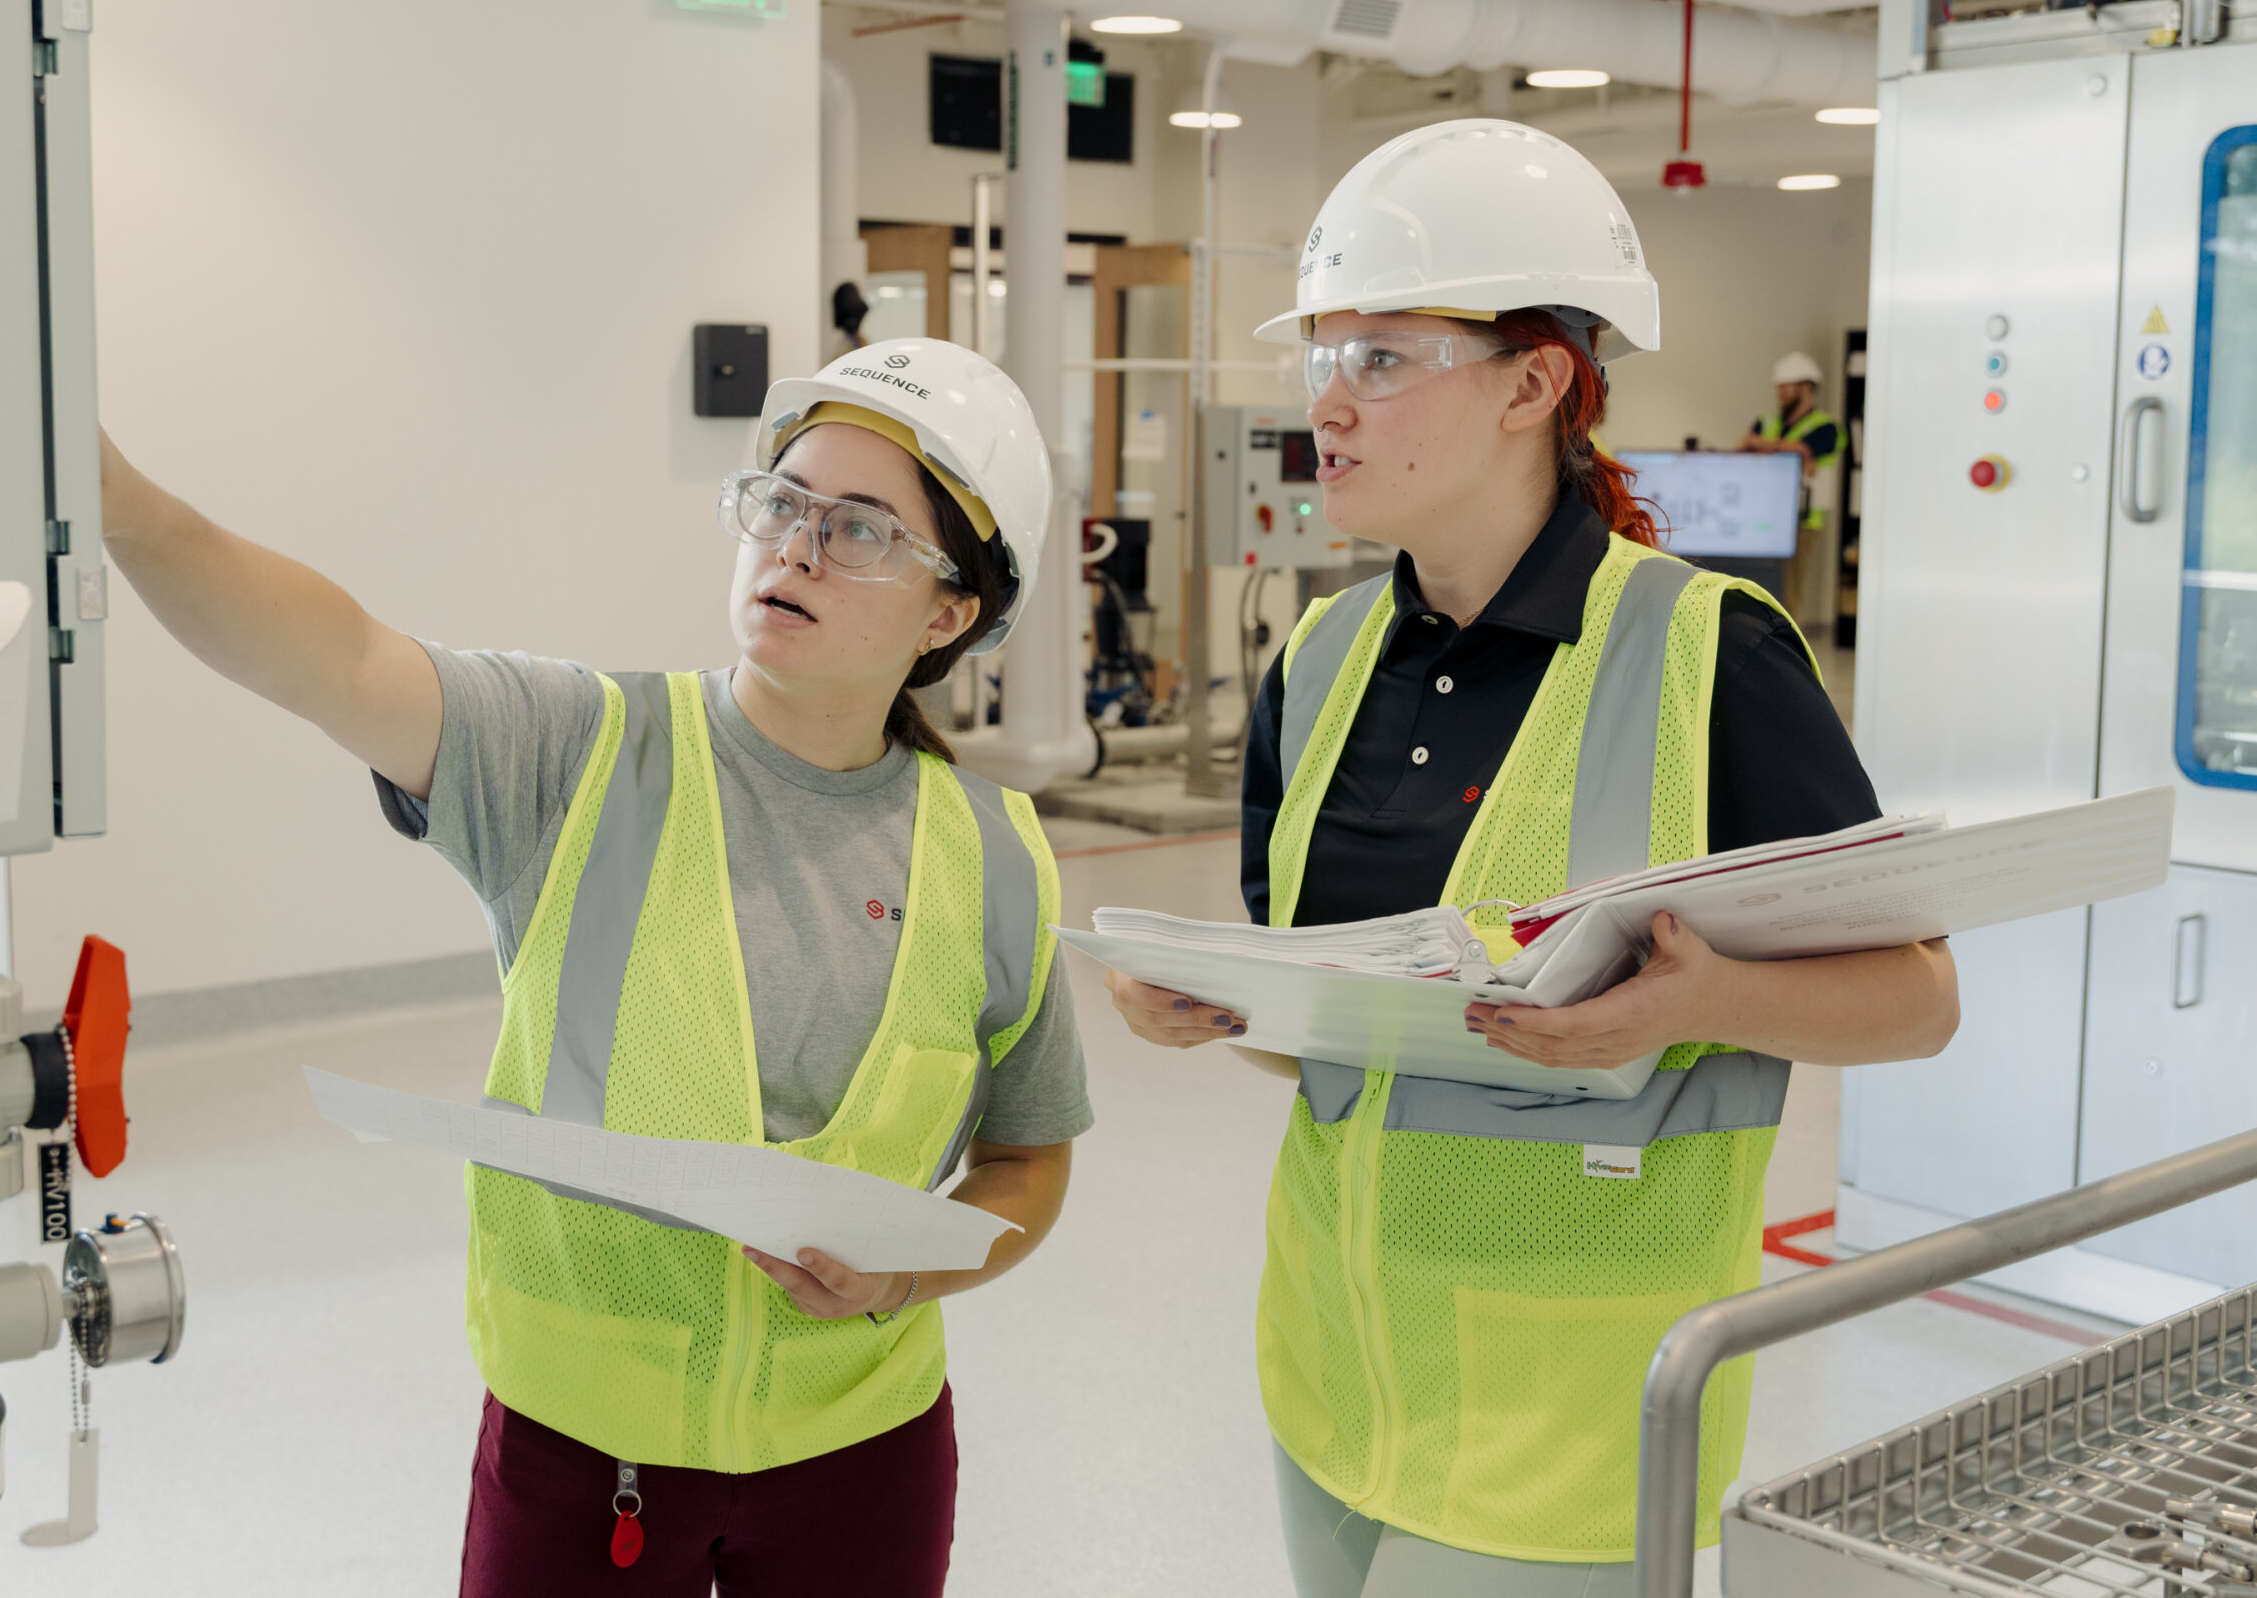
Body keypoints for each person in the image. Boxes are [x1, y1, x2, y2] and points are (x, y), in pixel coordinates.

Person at [1099, 121, 1960, 1596]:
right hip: (1335, 1376)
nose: (1330, 404)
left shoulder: (1708, 652)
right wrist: (1215, 1005)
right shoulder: (1319, 659)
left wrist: (1690, 1002)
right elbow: (1344, 1038)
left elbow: (1917, 997)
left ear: (1534, 381)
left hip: (1568, 1423)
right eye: (1325, 357)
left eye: (1381, 357)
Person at [97, 336, 1091, 1598]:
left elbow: (1026, 1162)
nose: (793, 546)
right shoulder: (582, 756)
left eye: (858, 530)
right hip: (583, 1456)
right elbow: (336, 659)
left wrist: (905, 1270)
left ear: (951, 613)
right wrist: (119, 503)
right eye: (782, 504)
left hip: (865, 1452)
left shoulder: (994, 854)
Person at [1744, 349, 1848, 530]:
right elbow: (1743, 445)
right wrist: (1786, 448)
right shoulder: (1768, 421)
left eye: (1786, 387)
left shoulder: (1826, 427)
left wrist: (1761, 444)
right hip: (1763, 513)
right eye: (1778, 387)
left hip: (1802, 520)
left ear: (1806, 387)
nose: (1780, 393)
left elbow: (1802, 448)